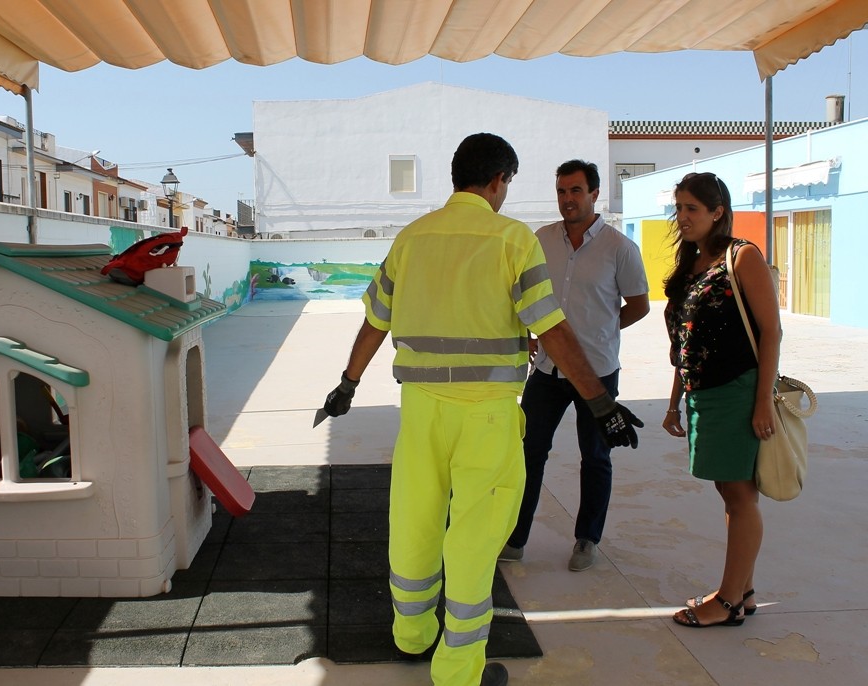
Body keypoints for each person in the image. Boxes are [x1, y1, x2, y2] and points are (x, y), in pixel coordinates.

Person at [319, 133, 642, 686]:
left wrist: (347, 384)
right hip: (486, 415)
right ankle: (460, 671)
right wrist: (599, 400)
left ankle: (412, 635)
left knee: (415, 519)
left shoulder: (412, 237)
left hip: (420, 412)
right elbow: (553, 329)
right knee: (472, 536)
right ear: (498, 180)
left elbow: (376, 319)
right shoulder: (513, 239)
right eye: (507, 184)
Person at [499, 160, 650, 571]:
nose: (568, 199)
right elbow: (522, 294)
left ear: (595, 194)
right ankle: (514, 538)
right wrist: (529, 334)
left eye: (576, 191)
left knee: (596, 456)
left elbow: (639, 305)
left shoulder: (619, 249)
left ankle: (587, 539)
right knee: (527, 453)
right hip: (546, 371)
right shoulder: (540, 240)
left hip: (596, 372)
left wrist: (604, 328)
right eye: (562, 191)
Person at [661, 172, 781, 628]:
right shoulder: (689, 263)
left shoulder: (741, 256)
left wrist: (762, 401)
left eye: (693, 208)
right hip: (701, 394)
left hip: (736, 390)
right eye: (679, 207)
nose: (683, 216)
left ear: (718, 212)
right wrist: (674, 402)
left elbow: (771, 331)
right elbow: (682, 345)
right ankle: (742, 591)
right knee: (729, 492)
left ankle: (728, 601)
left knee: (739, 494)